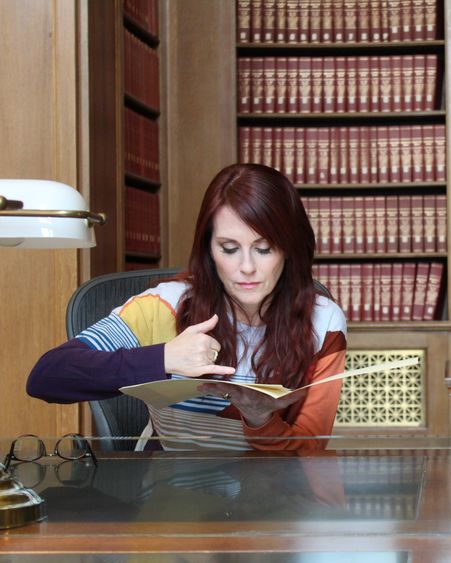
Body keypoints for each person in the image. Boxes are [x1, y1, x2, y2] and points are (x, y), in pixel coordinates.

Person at [27, 163, 347, 451]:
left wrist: (259, 418)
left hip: (271, 502)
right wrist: (164, 357)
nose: (246, 267)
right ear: (208, 250)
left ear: (289, 249)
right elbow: (47, 376)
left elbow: (309, 450)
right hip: (169, 499)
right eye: (229, 248)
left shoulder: (323, 322)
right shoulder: (165, 305)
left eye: (264, 249)